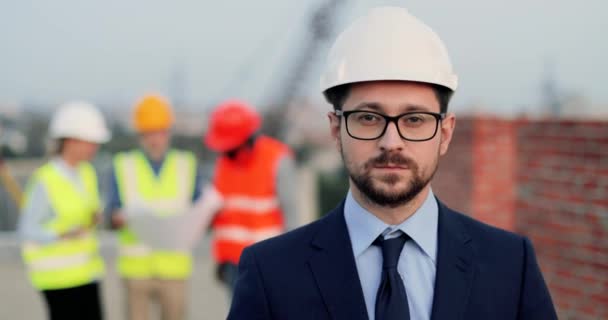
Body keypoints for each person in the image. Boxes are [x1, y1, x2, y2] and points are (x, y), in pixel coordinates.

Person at [227, 6, 557, 320]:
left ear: (445, 133)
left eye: (414, 119)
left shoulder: (511, 266)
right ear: (335, 129)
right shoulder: (269, 271)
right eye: (368, 118)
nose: (391, 142)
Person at [105, 94, 202, 320]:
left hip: (174, 267)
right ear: (140, 135)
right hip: (136, 269)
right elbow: (111, 212)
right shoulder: (123, 165)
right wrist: (117, 218)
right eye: (148, 133)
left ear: (168, 132)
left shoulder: (186, 164)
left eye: (159, 131)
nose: (154, 139)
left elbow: (200, 210)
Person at [18, 101, 110, 320]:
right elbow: (28, 229)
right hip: (56, 279)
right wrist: (61, 235)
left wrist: (94, 218)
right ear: (71, 140)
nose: (94, 148)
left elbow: (88, 210)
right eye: (90, 142)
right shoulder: (45, 180)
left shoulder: (87, 173)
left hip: (87, 273)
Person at [203, 100, 297, 292]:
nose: (226, 151)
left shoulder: (277, 159)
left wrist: (293, 259)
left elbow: (292, 213)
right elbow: (219, 214)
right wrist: (221, 259)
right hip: (232, 264)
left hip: (269, 260)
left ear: (246, 140)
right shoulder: (223, 163)